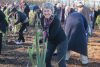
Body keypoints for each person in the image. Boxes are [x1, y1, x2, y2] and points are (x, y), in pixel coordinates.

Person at [41, 2, 68, 67]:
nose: (46, 13)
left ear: (52, 11)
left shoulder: (56, 20)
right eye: (45, 11)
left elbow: (52, 35)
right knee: (46, 58)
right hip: (51, 41)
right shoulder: (42, 19)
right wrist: (43, 37)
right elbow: (44, 30)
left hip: (61, 41)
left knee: (61, 61)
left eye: (48, 11)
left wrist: (43, 40)